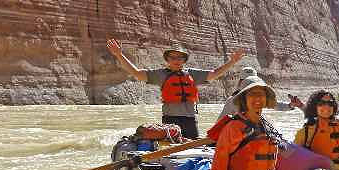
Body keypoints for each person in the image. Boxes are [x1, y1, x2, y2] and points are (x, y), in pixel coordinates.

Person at [194, 74, 320, 170]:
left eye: (261, 94)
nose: (258, 98)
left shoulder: (265, 125)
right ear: (243, 98)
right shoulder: (233, 128)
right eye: (252, 94)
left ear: (266, 98)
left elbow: (283, 152)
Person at [105, 39, 245, 138]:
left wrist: (232, 62)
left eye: (180, 58)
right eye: (173, 57)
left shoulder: (192, 74)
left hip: (190, 120)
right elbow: (136, 73)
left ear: (184, 60)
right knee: (172, 152)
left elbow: (215, 73)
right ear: (168, 59)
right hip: (170, 120)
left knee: (191, 149)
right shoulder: (161, 75)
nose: (177, 60)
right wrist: (119, 54)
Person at [217, 67, 305, 120]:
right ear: (240, 82)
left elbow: (276, 105)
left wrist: (291, 105)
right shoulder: (233, 100)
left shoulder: (257, 100)